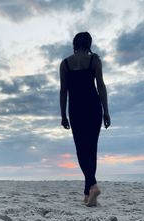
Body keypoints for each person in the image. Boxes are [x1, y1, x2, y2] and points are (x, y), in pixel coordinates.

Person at [59, 32, 111, 207]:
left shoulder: (65, 64)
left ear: (74, 44)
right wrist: (106, 111)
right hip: (93, 107)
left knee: (81, 149)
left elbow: (63, 91)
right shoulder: (94, 60)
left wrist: (63, 114)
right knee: (91, 149)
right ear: (89, 43)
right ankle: (88, 192)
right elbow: (101, 86)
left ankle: (92, 186)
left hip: (76, 109)